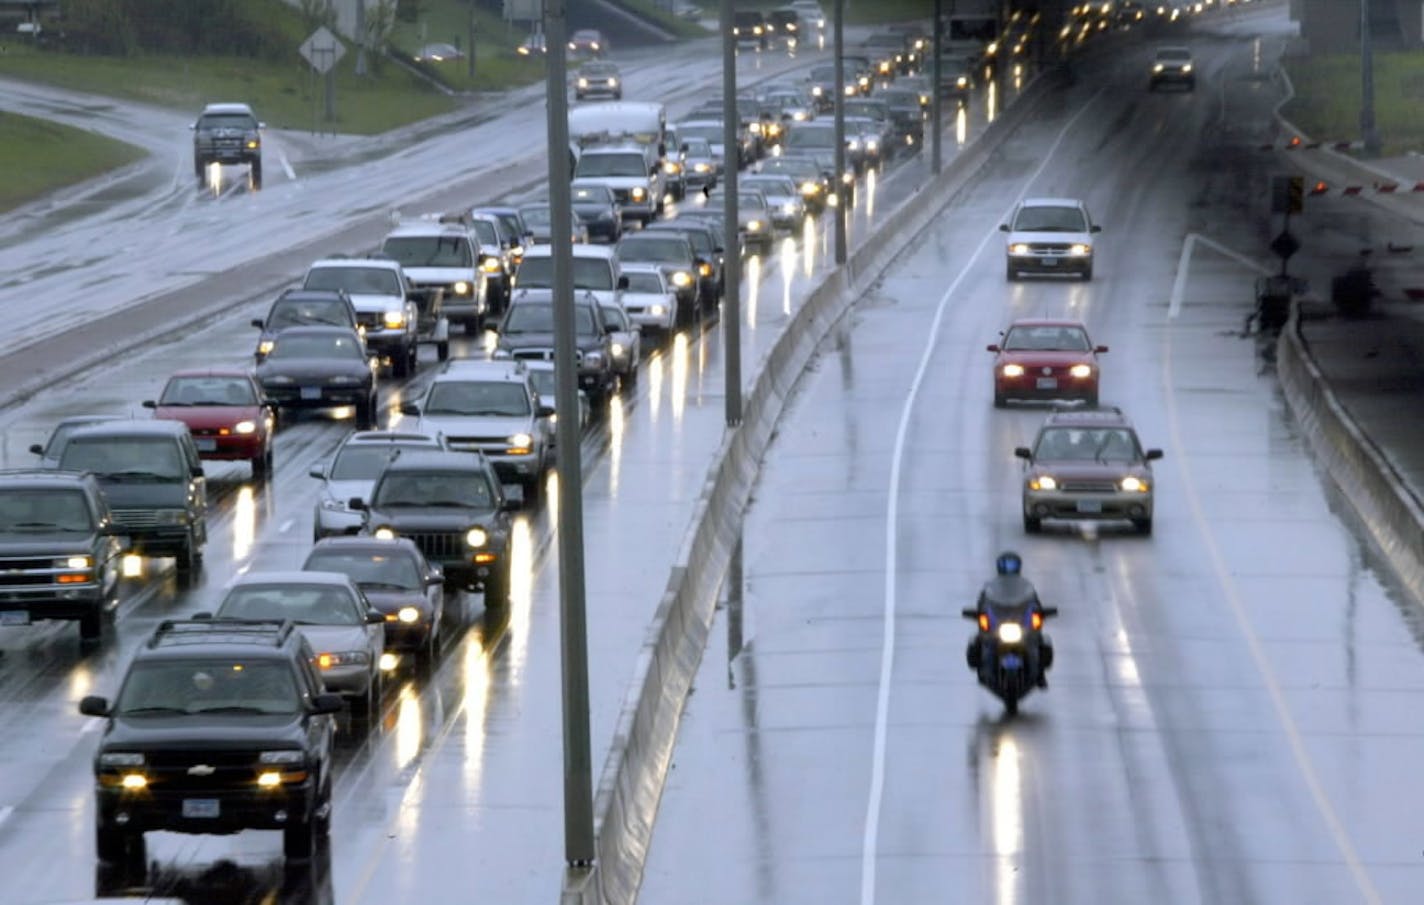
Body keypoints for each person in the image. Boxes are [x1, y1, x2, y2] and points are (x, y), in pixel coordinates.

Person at [966, 550, 1054, 689]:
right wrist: (980, 615)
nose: (1009, 568)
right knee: (979, 641)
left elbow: (1034, 604)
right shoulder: (990, 588)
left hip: (1020, 626)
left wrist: (1039, 614)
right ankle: (981, 670)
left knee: (1040, 641)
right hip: (998, 627)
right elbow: (983, 604)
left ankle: (1040, 674)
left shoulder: (1026, 587)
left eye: (1012, 565)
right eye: (1006, 565)